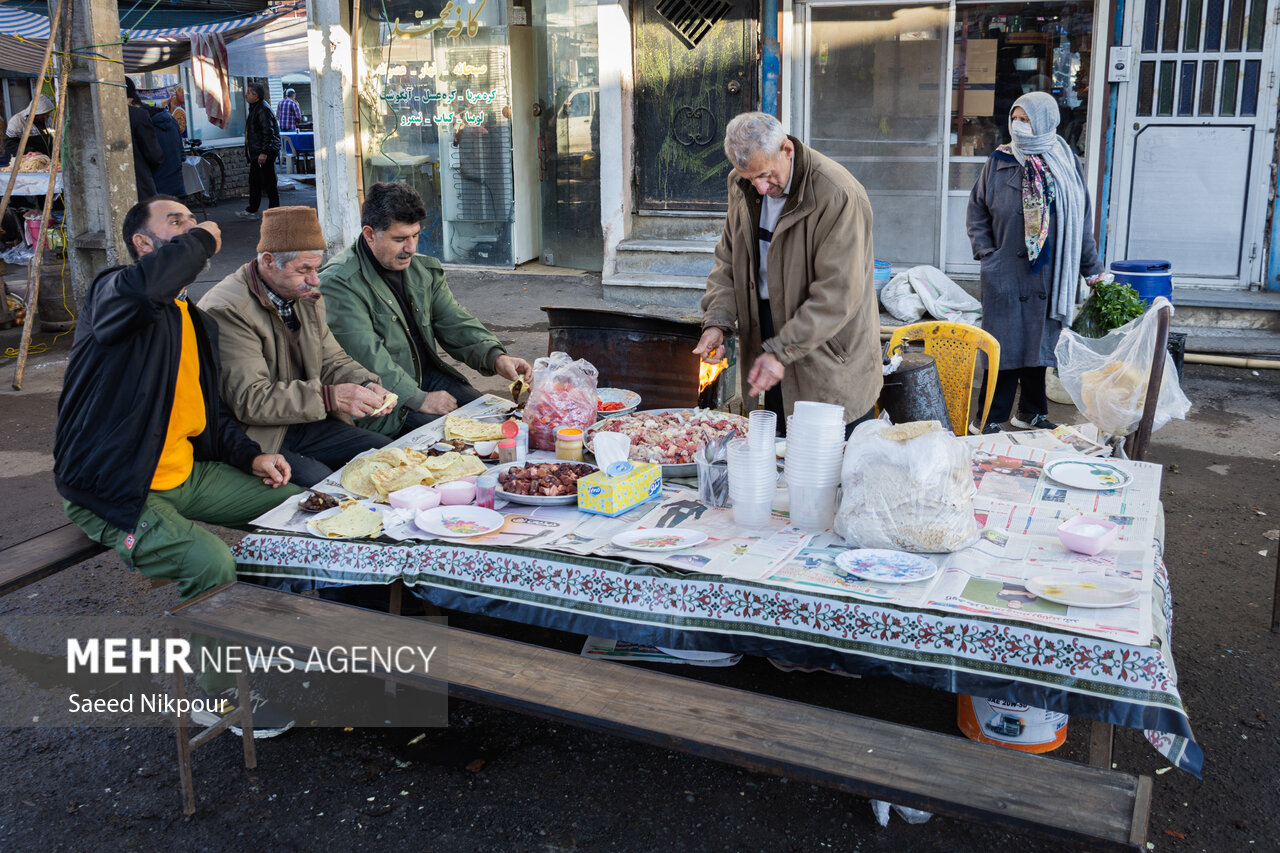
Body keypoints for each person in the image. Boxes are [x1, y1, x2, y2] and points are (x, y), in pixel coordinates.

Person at [53, 195, 299, 737]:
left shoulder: (195, 320)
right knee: (209, 562)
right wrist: (207, 237)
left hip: (185, 474)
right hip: (114, 488)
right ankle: (218, 698)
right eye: (177, 223)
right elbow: (144, 288)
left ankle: (279, 636)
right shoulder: (112, 293)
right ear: (145, 245)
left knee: (300, 508)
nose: (192, 228)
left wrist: (251, 455)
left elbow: (210, 420)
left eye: (194, 220)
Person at [693, 111, 882, 438]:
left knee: (833, 460)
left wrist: (782, 349)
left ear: (787, 151)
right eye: (750, 178)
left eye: (765, 175)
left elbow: (838, 294)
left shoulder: (837, 195)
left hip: (828, 347)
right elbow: (727, 259)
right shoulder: (742, 184)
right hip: (769, 338)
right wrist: (717, 321)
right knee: (784, 456)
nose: (761, 188)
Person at [198, 206, 396, 487]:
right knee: (321, 483)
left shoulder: (306, 295)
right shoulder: (228, 309)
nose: (315, 280)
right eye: (304, 270)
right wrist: (330, 398)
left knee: (383, 453)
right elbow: (250, 399)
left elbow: (331, 359)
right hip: (255, 434)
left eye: (316, 268)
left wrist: (365, 383)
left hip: (305, 416)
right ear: (268, 261)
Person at [319, 181, 533, 438]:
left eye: (415, 235)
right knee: (458, 442)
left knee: (500, 423)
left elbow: (453, 321)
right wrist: (419, 399)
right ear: (369, 234)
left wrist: (495, 356)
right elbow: (368, 356)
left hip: (428, 376)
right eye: (400, 239)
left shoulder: (422, 269)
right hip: (381, 398)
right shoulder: (338, 282)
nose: (411, 248)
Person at [966, 91, 1104, 434]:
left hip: (1048, 273)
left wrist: (1093, 270)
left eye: (1025, 119)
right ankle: (990, 418)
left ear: (1044, 120)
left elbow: (1080, 221)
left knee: (1039, 348)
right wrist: (987, 253)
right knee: (1003, 348)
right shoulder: (999, 160)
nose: (1018, 125)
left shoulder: (1066, 162)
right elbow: (977, 210)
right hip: (1006, 272)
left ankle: (1030, 412)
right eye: (1015, 117)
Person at [238, 81, 280, 220]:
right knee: (255, 181)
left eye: (249, 92)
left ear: (256, 96)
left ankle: (273, 211)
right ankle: (253, 209)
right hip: (259, 152)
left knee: (268, 182)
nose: (246, 94)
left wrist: (264, 152)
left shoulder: (262, 109)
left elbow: (268, 132)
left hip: (263, 152)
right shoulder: (256, 107)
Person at [125, 78, 164, 201]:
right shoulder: (137, 115)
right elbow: (154, 155)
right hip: (139, 184)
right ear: (131, 97)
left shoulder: (93, 115)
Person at [142, 92, 186, 197]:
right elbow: (182, 155)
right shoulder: (173, 122)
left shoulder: (147, 128)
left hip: (158, 191)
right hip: (178, 188)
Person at [5, 94, 56, 158]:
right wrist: (29, 151)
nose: (45, 117)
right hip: (29, 162)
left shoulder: (48, 120)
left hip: (47, 160)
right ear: (36, 112)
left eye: (47, 114)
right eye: (43, 114)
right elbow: (9, 144)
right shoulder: (17, 121)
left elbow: (53, 137)